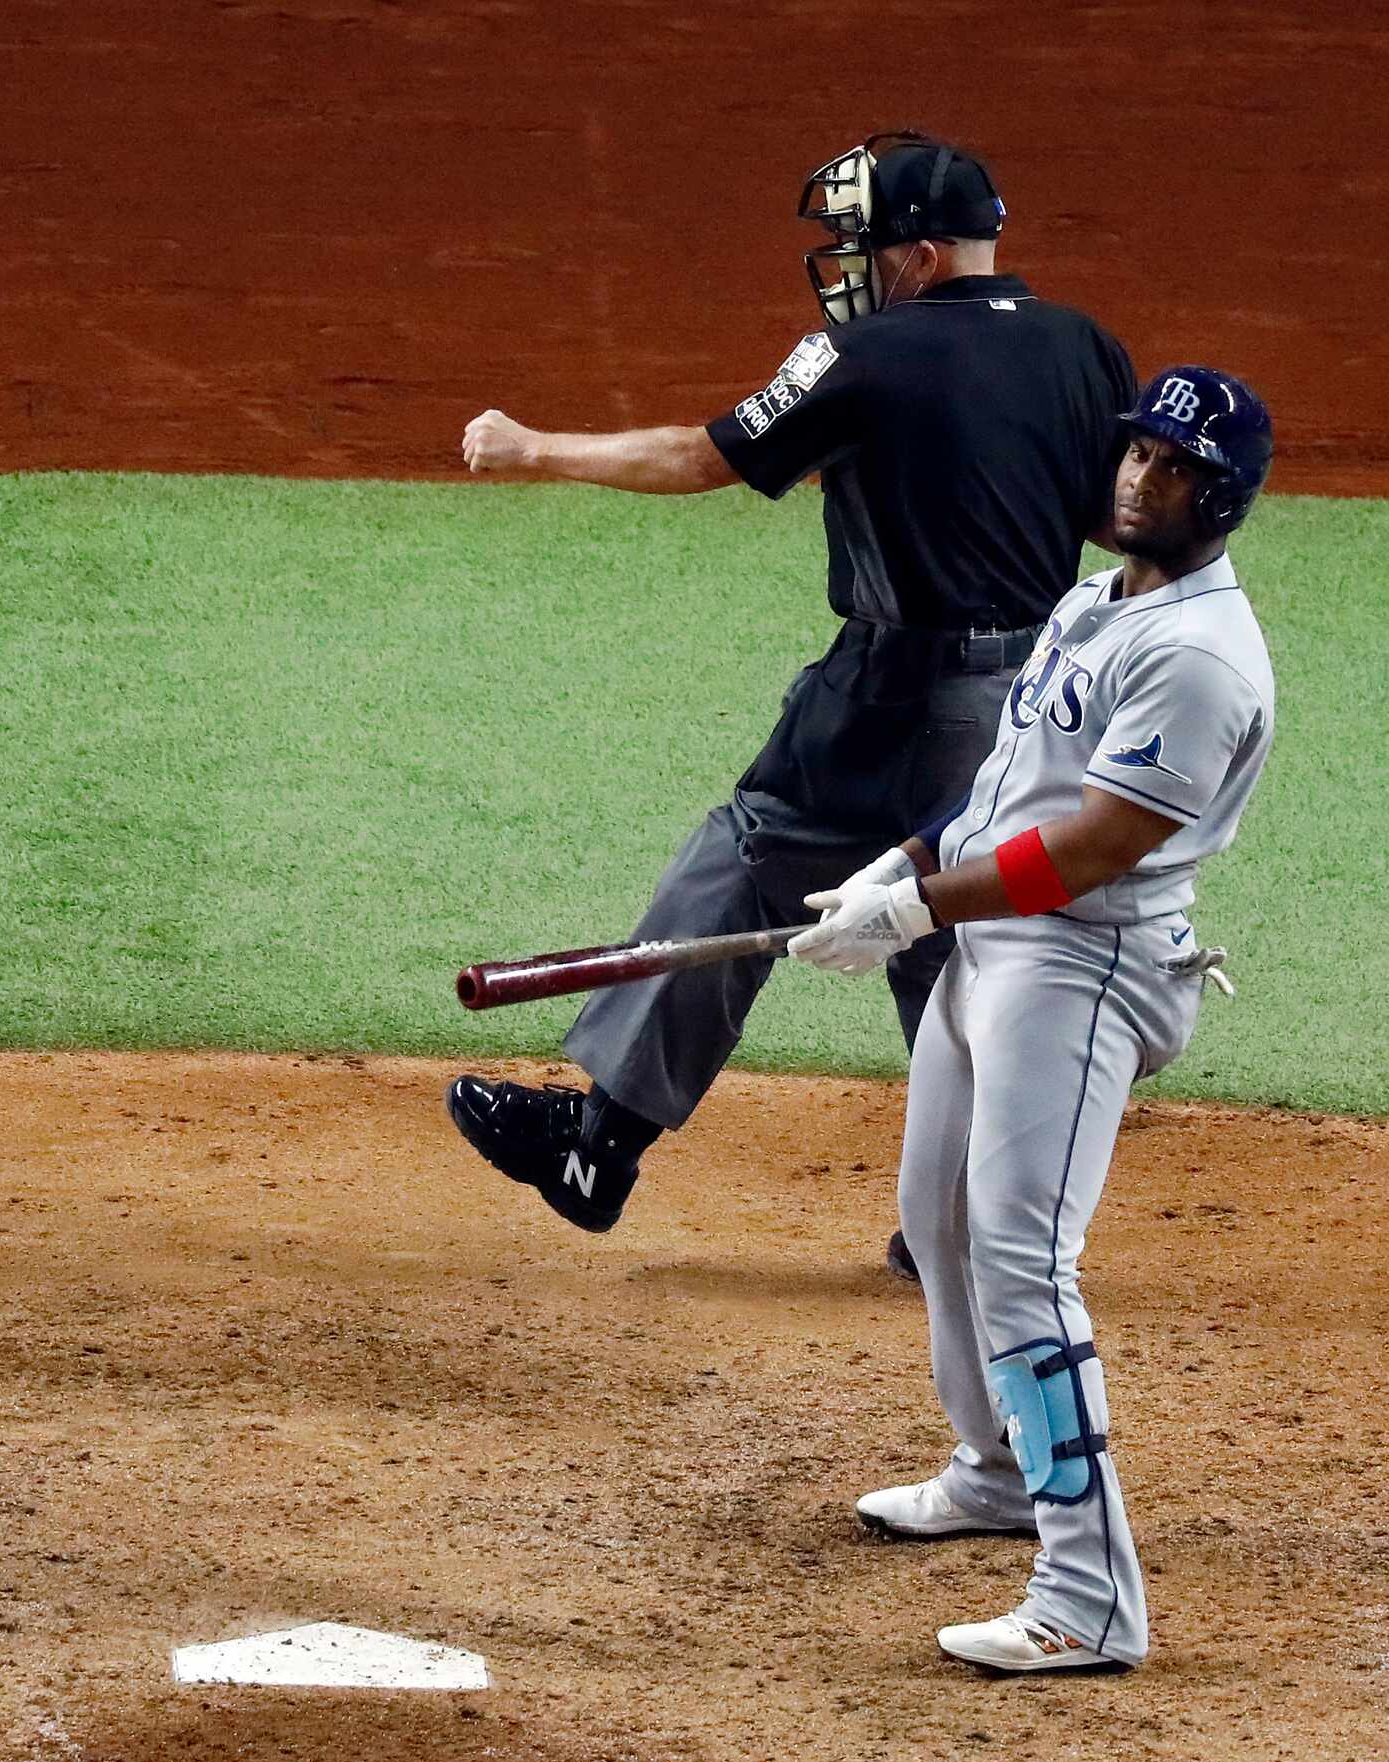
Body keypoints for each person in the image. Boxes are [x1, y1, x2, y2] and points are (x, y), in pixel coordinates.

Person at [443, 132, 1135, 1268]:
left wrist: (531, 450)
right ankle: (969, 1223)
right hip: (1031, 703)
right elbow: (1109, 520)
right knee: (946, 924)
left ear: (916, 253)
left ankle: (597, 1142)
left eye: (858, 244)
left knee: (747, 856)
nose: (843, 266)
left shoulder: (860, 356)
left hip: (892, 689)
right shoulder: (1084, 349)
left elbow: (696, 456)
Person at [796, 366, 1276, 1673]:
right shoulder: (1094, 601)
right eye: (1133, 452)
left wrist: (916, 910)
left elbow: (1089, 847)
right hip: (995, 942)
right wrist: (905, 864)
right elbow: (1013, 789)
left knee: (1020, 1258)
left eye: (1168, 465)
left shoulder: (1197, 656)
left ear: (1217, 495)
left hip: (1080, 968)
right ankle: (1000, 1466)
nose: (1136, 475)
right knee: (936, 1218)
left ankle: (1090, 1591)